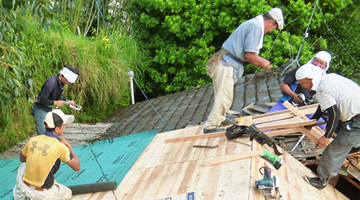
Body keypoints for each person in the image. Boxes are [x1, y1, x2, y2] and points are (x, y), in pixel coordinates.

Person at [204, 8, 284, 133]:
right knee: (224, 97)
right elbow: (250, 55)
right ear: (271, 22)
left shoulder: (253, 24)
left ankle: (220, 118)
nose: (271, 31)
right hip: (226, 65)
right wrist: (263, 63)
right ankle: (211, 126)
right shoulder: (256, 27)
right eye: (274, 28)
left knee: (225, 95)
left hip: (225, 62)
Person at [294, 67, 360, 189]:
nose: (301, 85)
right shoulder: (328, 79)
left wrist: (326, 136)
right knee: (342, 140)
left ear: (310, 79)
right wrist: (312, 122)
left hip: (357, 122)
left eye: (302, 82)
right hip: (354, 115)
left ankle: (322, 181)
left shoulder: (323, 89)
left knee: (334, 150)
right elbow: (324, 106)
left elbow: (334, 114)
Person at [13, 109, 80, 200]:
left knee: (23, 166)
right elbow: (77, 167)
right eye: (63, 125)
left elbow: (22, 158)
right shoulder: (60, 146)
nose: (64, 126)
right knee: (67, 193)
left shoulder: (33, 140)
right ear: (57, 129)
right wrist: (69, 146)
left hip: (25, 187)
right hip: (42, 195)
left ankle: (19, 196)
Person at [32, 66, 79, 135]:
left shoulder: (60, 83)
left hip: (48, 110)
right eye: (68, 81)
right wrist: (55, 102)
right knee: (42, 134)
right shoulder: (50, 84)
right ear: (64, 77)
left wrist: (67, 101)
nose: (68, 83)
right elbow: (40, 99)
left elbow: (57, 94)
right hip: (40, 111)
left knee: (49, 133)